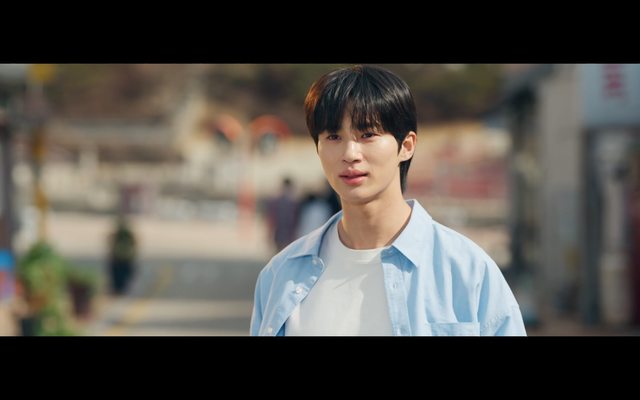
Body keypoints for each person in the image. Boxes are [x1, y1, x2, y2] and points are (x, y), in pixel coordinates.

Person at [250, 65, 526, 336]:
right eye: (333, 136)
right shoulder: (281, 275)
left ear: (406, 146)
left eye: (367, 135)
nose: (350, 153)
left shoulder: (466, 271)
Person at [267, 177, 299, 252]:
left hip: (284, 232)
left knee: (282, 253)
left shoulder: (277, 201)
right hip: (282, 232)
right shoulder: (293, 203)